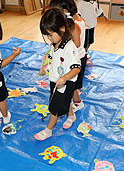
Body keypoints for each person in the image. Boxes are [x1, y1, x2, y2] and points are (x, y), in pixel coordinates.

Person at [35, 7, 81, 141]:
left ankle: (48, 130)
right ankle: (71, 116)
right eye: (47, 35)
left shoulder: (69, 47)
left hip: (65, 82)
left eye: (50, 35)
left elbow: (77, 68)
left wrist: (65, 77)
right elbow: (50, 56)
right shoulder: (55, 43)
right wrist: (44, 66)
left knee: (54, 107)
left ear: (62, 29)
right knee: (62, 101)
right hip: (55, 79)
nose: (49, 38)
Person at [49, 0, 87, 112]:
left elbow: (77, 44)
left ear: (64, 11)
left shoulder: (72, 25)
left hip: (76, 59)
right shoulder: (77, 19)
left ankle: (75, 104)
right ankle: (77, 103)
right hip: (76, 57)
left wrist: (64, 42)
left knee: (70, 86)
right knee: (72, 86)